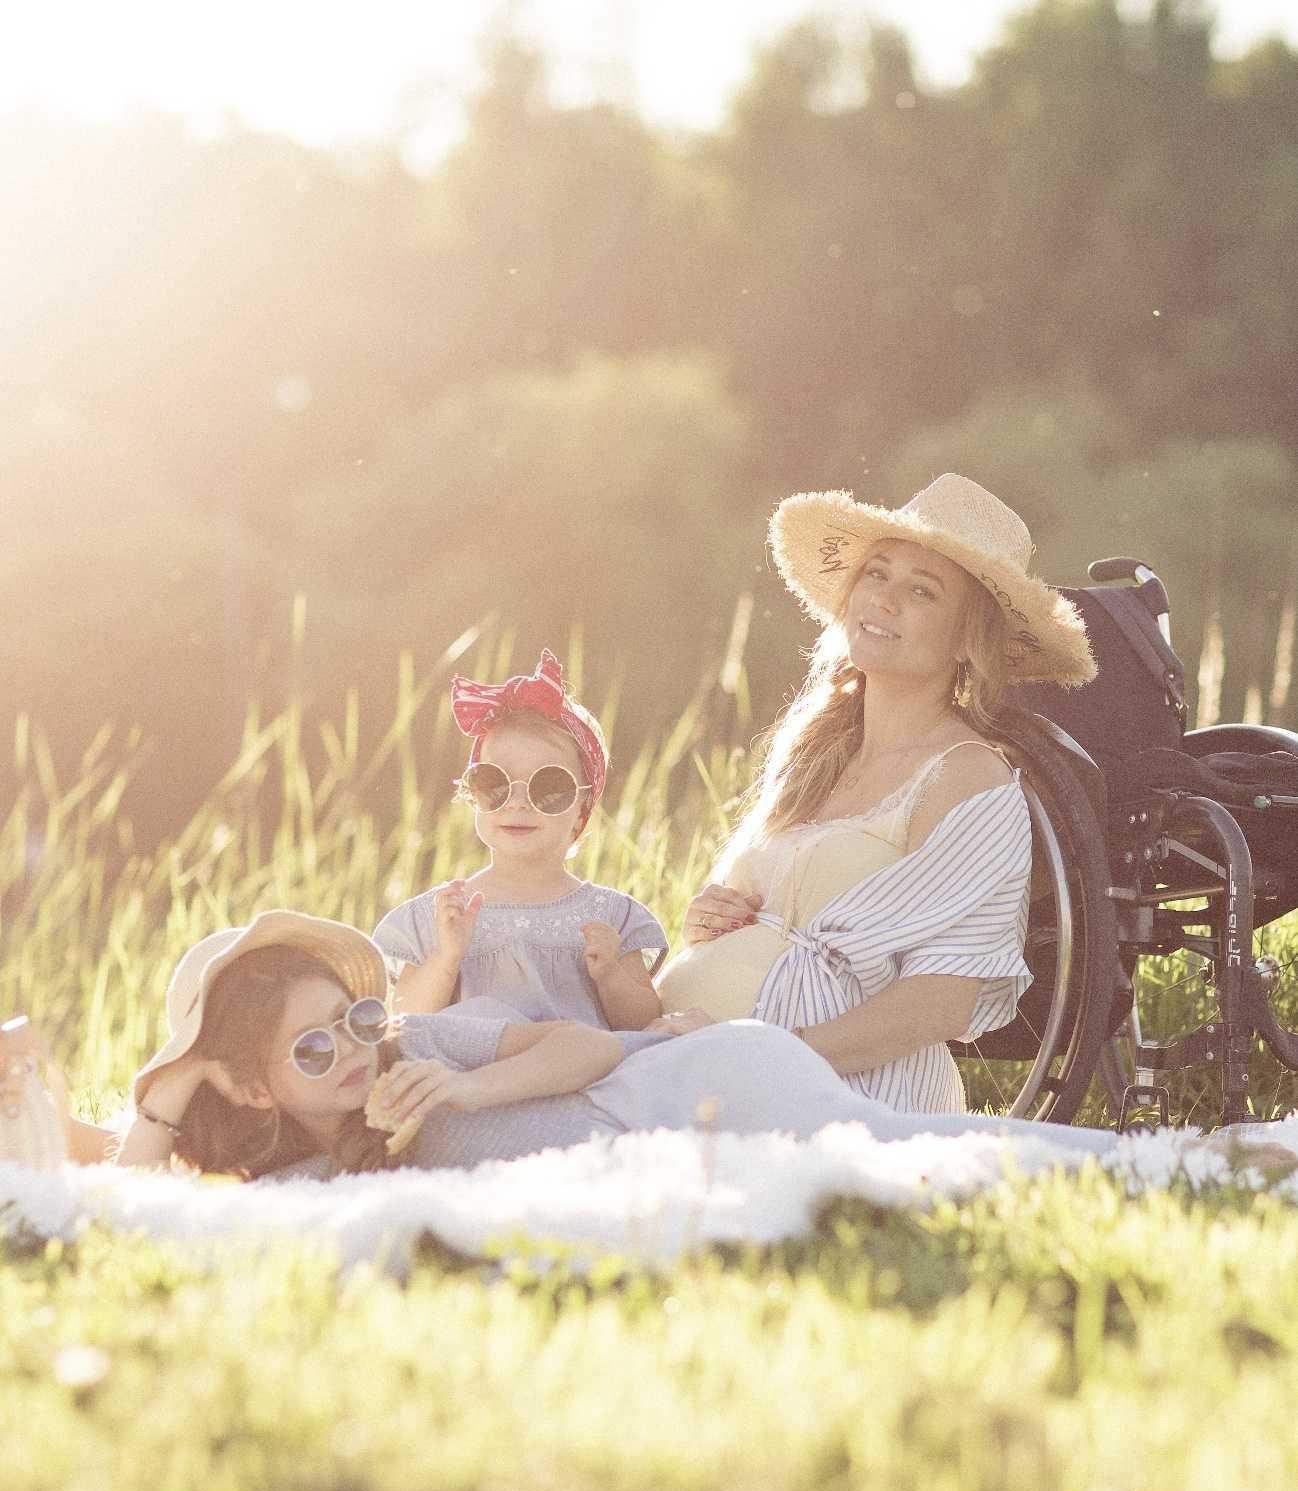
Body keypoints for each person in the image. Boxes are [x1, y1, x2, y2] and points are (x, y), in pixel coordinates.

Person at [11, 911, 1292, 1183]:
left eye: (351, 1021)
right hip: (683, 1141)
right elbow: (135, 1203)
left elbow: (579, 1045)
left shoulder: (421, 1042)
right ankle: (1197, 1161)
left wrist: (462, 1078)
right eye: (312, 1052)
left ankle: (1195, 1162)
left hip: (701, 1081)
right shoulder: (299, 1168)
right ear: (248, 1082)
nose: (352, 1054)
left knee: (918, 1151)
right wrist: (167, 1096)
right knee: (920, 1164)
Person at [658, 472, 1097, 1115]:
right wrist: (707, 924)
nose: (885, 600)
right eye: (876, 574)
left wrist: (761, 1054)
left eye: (921, 590)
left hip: (833, 1093)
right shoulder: (813, 755)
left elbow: (939, 1003)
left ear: (967, 639)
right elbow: (753, 918)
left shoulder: (971, 780)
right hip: (694, 1061)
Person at [374, 649, 666, 1031]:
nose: (516, 803)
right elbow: (404, 1020)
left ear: (582, 810)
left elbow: (645, 1024)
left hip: (577, 1062)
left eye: (549, 787)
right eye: (493, 783)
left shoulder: (610, 916)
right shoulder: (443, 915)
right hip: (477, 1062)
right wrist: (447, 958)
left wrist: (611, 975)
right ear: (472, 794)